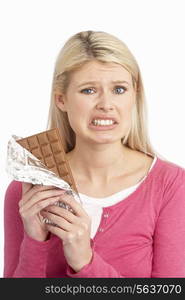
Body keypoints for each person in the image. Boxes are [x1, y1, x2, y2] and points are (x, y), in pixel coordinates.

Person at [4, 30, 185, 278]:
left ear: (135, 95)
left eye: (119, 90)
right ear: (61, 99)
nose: (106, 104)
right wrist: (35, 241)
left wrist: (85, 262)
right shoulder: (28, 189)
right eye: (89, 90)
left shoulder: (170, 185)